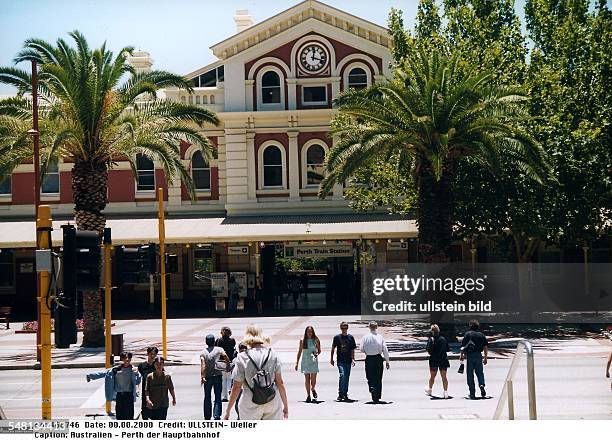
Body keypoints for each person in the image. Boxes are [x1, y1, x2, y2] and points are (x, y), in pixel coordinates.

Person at [224, 325, 289, 420]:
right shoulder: (273, 354)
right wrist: (285, 405)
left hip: (249, 400)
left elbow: (236, 387)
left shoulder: (242, 357)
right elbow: (280, 382)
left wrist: (228, 410)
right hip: (271, 399)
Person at [86, 352, 141, 420]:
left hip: (129, 395)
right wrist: (90, 376)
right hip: (119, 396)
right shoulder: (115, 369)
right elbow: (103, 373)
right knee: (119, 416)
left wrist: (137, 374)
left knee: (129, 416)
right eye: (125, 358)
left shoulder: (133, 370)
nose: (127, 360)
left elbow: (138, 381)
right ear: (121, 359)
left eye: (129, 358)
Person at [360, 321, 390, 403]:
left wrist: (367, 351)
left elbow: (361, 348)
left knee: (369, 376)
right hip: (378, 358)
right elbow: (385, 349)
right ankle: (377, 394)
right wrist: (387, 361)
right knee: (378, 377)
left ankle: (371, 387)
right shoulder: (380, 337)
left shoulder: (365, 337)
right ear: (376, 328)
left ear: (369, 327)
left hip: (369, 358)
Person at [200, 334, 229, 420]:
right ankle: (216, 415)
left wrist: (202, 376)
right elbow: (225, 356)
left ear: (206, 342)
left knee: (207, 396)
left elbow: (203, 364)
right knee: (217, 396)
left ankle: (207, 415)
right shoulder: (219, 349)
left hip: (208, 376)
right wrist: (227, 365)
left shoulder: (203, 352)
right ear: (214, 341)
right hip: (217, 375)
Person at [460, 319, 489, 399]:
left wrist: (461, 355)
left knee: (470, 374)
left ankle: (472, 392)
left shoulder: (467, 334)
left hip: (470, 356)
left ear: (470, 326)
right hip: (478, 355)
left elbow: (463, 346)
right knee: (480, 373)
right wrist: (485, 357)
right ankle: (481, 384)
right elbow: (485, 347)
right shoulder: (481, 335)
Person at [330, 321, 356, 401]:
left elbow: (352, 349)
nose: (344, 329)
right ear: (340, 328)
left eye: (345, 328)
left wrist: (353, 359)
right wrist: (331, 358)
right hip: (340, 360)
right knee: (342, 375)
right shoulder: (337, 337)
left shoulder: (350, 337)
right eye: (342, 328)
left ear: (347, 328)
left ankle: (345, 393)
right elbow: (333, 348)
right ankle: (340, 393)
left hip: (348, 360)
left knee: (347, 377)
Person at [294, 326, 321, 402]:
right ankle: (308, 395)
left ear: (313, 332)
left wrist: (316, 354)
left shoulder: (316, 340)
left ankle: (313, 389)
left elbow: (319, 350)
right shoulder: (302, 341)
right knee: (307, 379)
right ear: (306, 332)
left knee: (313, 380)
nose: (310, 333)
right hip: (305, 362)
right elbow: (299, 352)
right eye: (308, 331)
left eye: (311, 331)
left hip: (313, 361)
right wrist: (297, 363)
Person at [425, 324, 450, 399]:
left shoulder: (431, 340)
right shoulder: (443, 339)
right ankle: (445, 392)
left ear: (432, 331)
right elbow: (447, 349)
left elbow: (428, 351)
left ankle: (430, 390)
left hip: (433, 360)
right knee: (444, 377)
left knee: (432, 376)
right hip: (443, 360)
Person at [216, 327, 237, 402]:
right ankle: (229, 389)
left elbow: (216, 349)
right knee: (229, 378)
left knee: (223, 379)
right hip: (230, 361)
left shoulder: (219, 340)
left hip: (221, 361)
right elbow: (234, 347)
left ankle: (224, 396)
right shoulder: (232, 340)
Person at [137, 346, 159, 419]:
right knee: (145, 412)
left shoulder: (158, 366)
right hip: (145, 392)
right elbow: (138, 378)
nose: (152, 356)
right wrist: (137, 388)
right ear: (147, 354)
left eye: (154, 354)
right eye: (151, 354)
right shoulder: (142, 366)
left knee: (155, 413)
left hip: (156, 392)